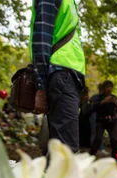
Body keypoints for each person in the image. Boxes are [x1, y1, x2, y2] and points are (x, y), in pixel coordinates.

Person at [31, 0, 86, 154]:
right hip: (62, 74)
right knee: (67, 150)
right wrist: (40, 87)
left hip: (67, 75)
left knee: (59, 148)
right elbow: (41, 40)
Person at [90, 80, 117, 159]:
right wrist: (103, 102)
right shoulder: (98, 97)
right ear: (104, 88)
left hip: (112, 121)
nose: (109, 89)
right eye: (107, 87)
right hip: (101, 121)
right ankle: (91, 155)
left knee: (114, 140)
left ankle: (114, 157)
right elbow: (93, 108)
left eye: (110, 87)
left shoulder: (115, 98)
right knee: (98, 139)